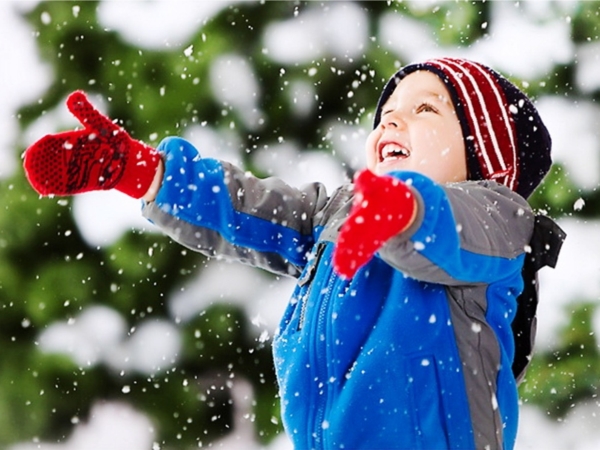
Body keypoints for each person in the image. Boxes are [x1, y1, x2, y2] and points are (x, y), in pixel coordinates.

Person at [23, 57, 565, 450]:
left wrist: (404, 210)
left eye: (426, 109)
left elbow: (445, 226)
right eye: (387, 113)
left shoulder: (496, 219)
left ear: (482, 153)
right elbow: (250, 210)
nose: (393, 121)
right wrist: (149, 174)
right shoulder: (339, 217)